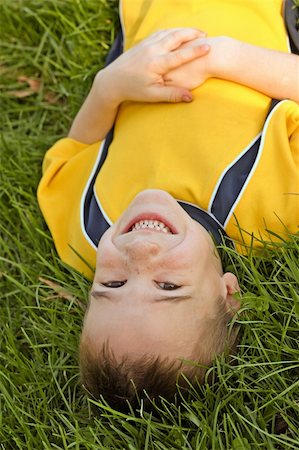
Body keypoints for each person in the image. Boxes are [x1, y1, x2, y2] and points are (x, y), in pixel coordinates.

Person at [37, 0, 299, 411]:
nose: (139, 254)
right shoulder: (272, 210)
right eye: (168, 287)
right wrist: (220, 57)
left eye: (112, 284)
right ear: (228, 293)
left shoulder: (89, 228)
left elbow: (73, 153)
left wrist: (109, 88)